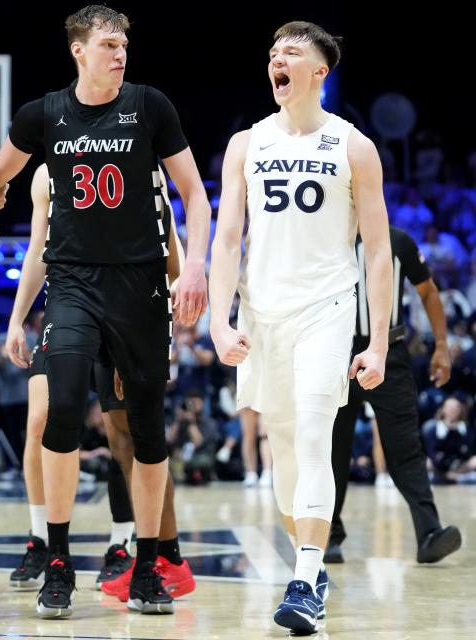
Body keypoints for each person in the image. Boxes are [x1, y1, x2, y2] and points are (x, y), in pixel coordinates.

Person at [0, 4, 211, 618]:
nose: (120, 51)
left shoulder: (150, 106)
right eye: (108, 42)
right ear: (78, 50)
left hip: (140, 290)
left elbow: (195, 195)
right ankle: (57, 560)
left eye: (124, 41)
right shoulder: (43, 114)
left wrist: (198, 264)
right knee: (62, 407)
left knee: (146, 431)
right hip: (73, 286)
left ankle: (151, 564)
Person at [209, 22, 393, 634]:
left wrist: (380, 341)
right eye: (271, 54)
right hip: (263, 314)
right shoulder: (246, 143)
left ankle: (304, 577)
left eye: (291, 52)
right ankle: (309, 567)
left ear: (321, 72)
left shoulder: (354, 146)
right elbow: (228, 235)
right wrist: (218, 317)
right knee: (285, 451)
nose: (276, 60)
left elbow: (376, 251)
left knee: (316, 433)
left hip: (328, 308)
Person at [2, 164, 197, 601]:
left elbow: (167, 231)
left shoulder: (138, 153)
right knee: (43, 416)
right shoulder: (45, 171)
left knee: (130, 433)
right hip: (69, 306)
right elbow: (38, 249)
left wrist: (179, 289)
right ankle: (44, 543)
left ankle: (148, 550)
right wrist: (17, 319)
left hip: (129, 306)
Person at [328, 225, 461, 564]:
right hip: (334, 353)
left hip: (389, 353)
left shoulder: (398, 239)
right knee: (332, 448)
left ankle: (429, 533)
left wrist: (442, 345)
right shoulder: (326, 233)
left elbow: (428, 291)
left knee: (406, 447)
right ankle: (327, 535)